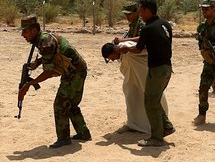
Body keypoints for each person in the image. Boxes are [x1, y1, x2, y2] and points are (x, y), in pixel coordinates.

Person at [18, 15, 91, 148]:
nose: (22, 34)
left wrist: (29, 84)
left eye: (25, 31)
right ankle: (83, 133)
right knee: (71, 104)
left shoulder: (45, 42)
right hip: (72, 70)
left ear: (34, 30)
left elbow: (49, 72)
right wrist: (37, 63)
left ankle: (64, 139)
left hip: (75, 73)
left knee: (60, 105)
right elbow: (52, 56)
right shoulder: (42, 40)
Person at [119, 0, 175, 147]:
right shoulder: (164, 24)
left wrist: (126, 48)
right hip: (167, 68)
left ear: (147, 10)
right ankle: (167, 126)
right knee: (154, 100)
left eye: (141, 10)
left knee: (150, 102)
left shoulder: (148, 28)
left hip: (156, 69)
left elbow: (138, 49)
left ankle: (157, 138)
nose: (140, 14)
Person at [101, 41, 169, 134]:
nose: (112, 60)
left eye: (111, 57)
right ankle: (133, 124)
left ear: (115, 51)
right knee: (131, 98)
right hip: (133, 80)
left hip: (145, 76)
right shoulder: (122, 53)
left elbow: (146, 49)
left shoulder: (128, 48)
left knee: (152, 99)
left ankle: (159, 125)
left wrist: (128, 49)